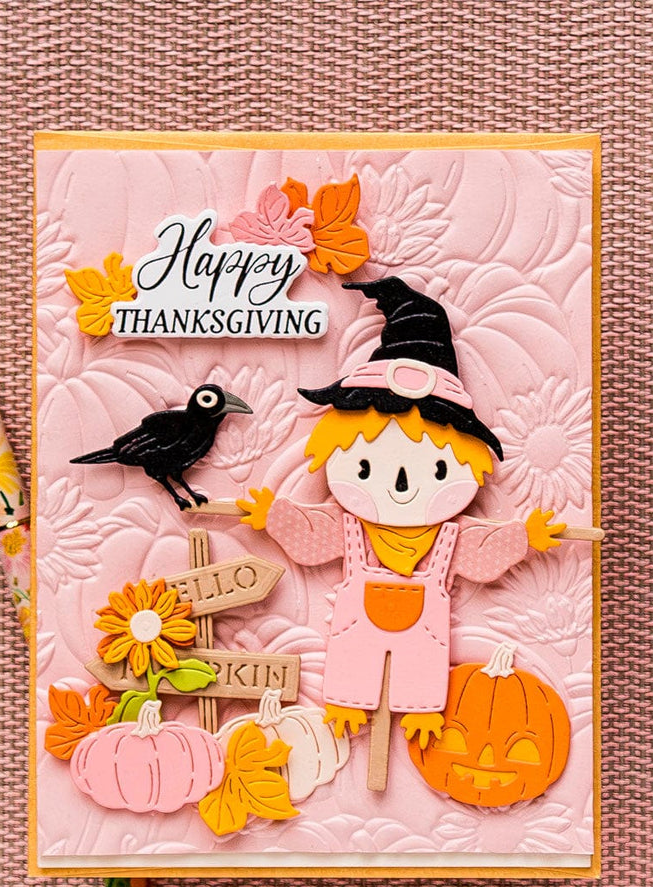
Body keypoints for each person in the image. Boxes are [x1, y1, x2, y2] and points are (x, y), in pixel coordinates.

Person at [238, 278, 563, 748]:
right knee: (354, 652)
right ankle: (348, 702)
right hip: (358, 633)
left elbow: (480, 549)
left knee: (422, 660)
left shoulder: (448, 539)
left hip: (422, 641)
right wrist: (274, 516)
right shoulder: (351, 529)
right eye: (365, 468)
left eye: (438, 468)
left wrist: (524, 537)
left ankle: (421, 712)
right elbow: (314, 532)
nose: (402, 487)